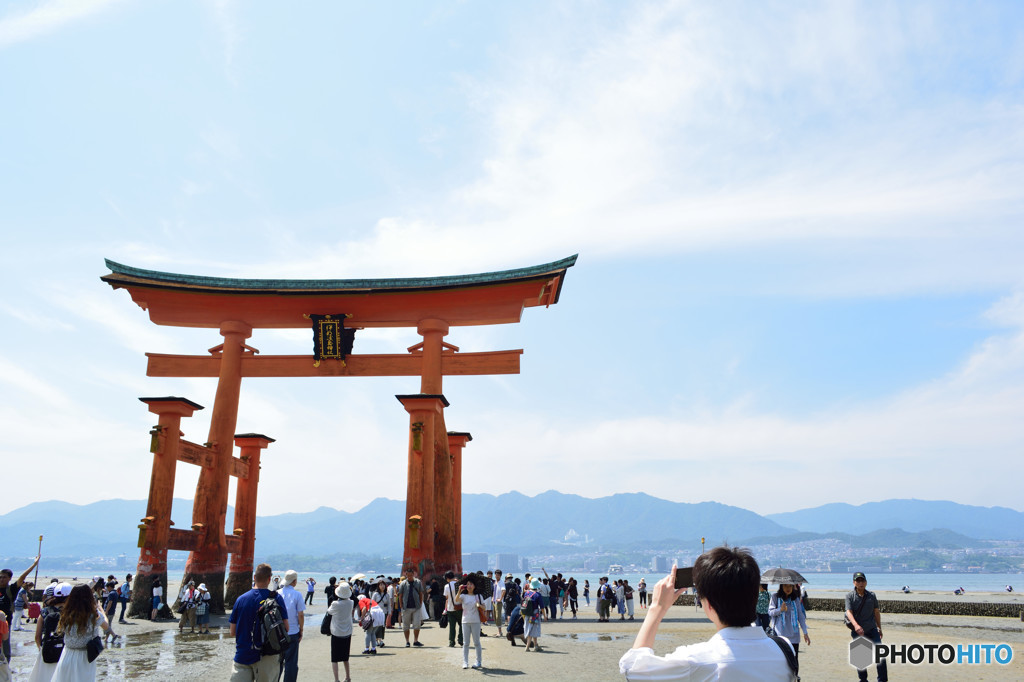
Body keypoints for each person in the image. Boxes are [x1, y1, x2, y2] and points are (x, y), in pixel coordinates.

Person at [619, 547, 795, 681]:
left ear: (708, 604)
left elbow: (633, 670)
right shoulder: (784, 650)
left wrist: (656, 608)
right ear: (755, 595)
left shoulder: (698, 660)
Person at [228, 563, 289, 682]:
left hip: (243, 654)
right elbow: (286, 627)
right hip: (267, 655)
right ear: (269, 579)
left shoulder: (241, 599)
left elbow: (232, 632)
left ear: (254, 577)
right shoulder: (275, 598)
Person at [51, 583, 116, 680]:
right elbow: (106, 626)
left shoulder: (66, 612)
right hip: (84, 657)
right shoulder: (93, 614)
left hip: (67, 653)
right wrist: (101, 610)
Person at [845, 572, 887, 682]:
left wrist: (879, 628)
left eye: (862, 580)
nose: (860, 583)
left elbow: (876, 612)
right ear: (854, 582)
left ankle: (882, 680)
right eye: (858, 581)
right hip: (858, 631)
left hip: (872, 629)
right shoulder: (850, 596)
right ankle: (863, 680)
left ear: (866, 582)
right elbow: (849, 612)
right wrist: (856, 625)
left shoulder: (872, 596)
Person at [27, 582, 71, 682]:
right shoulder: (71, 612)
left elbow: (37, 636)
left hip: (47, 651)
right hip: (65, 653)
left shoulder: (45, 611)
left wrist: (41, 649)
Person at [1, 555, 40, 660]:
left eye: (4, 577)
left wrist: (34, 564)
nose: (1, 579)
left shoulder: (11, 589)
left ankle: (6, 669)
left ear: (9, 578)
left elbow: (22, 577)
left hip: (5, 622)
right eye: (0, 577)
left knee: (5, 648)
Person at [768, 583, 809, 660]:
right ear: (781, 586)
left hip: (794, 636)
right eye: (786, 585)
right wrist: (780, 609)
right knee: (781, 660)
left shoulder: (795, 599)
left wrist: (805, 633)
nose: (788, 588)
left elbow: (800, 616)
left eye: (790, 586)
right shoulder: (775, 597)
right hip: (780, 635)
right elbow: (770, 612)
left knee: (793, 661)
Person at [277, 570, 305, 682]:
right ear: (294, 581)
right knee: (291, 663)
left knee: (277, 661)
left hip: (278, 633)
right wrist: (301, 629)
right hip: (293, 631)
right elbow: (301, 614)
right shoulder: (297, 594)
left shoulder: (277, 593)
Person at [327, 582, 354, 682]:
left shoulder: (335, 604)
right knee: (345, 657)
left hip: (337, 632)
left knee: (335, 658)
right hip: (347, 631)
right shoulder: (350, 602)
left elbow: (329, 611)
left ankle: (336, 679)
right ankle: (348, 677)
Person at [457, 578, 484, 669]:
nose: (469, 586)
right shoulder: (463, 596)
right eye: (467, 584)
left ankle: (478, 661)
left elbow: (484, 608)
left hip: (476, 621)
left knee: (476, 642)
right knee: (466, 643)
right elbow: (456, 600)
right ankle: (465, 662)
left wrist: (479, 605)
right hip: (465, 621)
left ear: (474, 586)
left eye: (471, 584)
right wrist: (459, 591)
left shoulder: (478, 596)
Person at [397, 568, 425, 647]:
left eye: (410, 575)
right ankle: (407, 641)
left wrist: (420, 603)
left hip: (416, 607)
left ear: (413, 574)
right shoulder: (403, 583)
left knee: (417, 624)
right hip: (406, 607)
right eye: (408, 575)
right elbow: (400, 595)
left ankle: (415, 640)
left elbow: (420, 593)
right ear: (406, 575)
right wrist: (401, 605)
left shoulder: (418, 582)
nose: (409, 577)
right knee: (406, 625)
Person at [441, 571, 463, 648]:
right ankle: (461, 640)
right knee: (461, 625)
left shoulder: (446, 586)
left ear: (447, 578)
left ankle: (451, 642)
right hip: (459, 607)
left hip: (450, 608)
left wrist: (445, 609)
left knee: (452, 626)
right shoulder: (459, 584)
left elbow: (446, 598)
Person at [521, 580, 544, 652]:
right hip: (535, 614)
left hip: (527, 613)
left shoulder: (526, 593)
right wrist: (545, 616)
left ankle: (536, 645)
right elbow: (542, 607)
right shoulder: (538, 595)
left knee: (530, 628)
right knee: (532, 629)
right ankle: (527, 647)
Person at [492, 570, 505, 637]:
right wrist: (492, 597)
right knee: (495, 616)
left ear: (500, 575)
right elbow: (494, 591)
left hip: (498, 602)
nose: (496, 576)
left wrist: (500, 599)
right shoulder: (495, 582)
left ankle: (500, 632)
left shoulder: (501, 582)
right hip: (494, 601)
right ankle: (499, 631)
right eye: (496, 574)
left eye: (498, 575)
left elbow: (504, 591)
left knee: (498, 617)